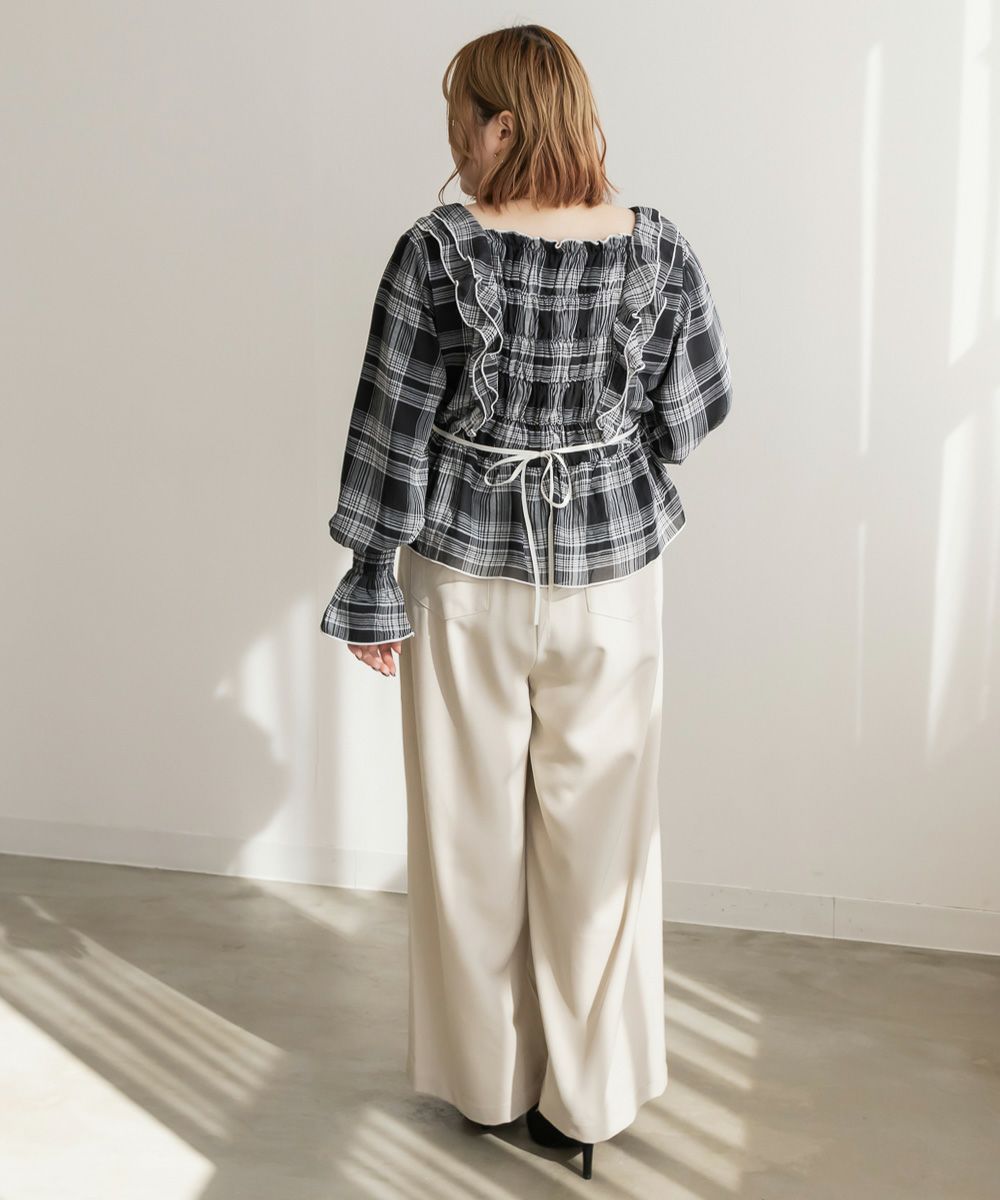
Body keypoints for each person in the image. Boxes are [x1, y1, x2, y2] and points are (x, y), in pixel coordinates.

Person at [320, 23, 732, 1182]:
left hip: (464, 571)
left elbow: (390, 430)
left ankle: (488, 1086)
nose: (451, 141)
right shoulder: (657, 247)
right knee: (603, 840)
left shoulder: (436, 252)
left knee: (467, 833)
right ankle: (585, 1103)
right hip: (614, 578)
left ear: (501, 124)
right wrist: (608, 436)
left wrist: (368, 581)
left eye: (460, 118)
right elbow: (695, 413)